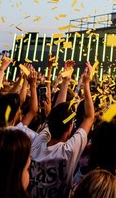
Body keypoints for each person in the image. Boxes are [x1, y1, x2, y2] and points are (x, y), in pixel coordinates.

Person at [25, 63, 96, 198]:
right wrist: (86, 83)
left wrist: (65, 82)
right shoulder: (68, 151)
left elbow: (55, 114)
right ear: (70, 127)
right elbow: (89, 117)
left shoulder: (37, 145)